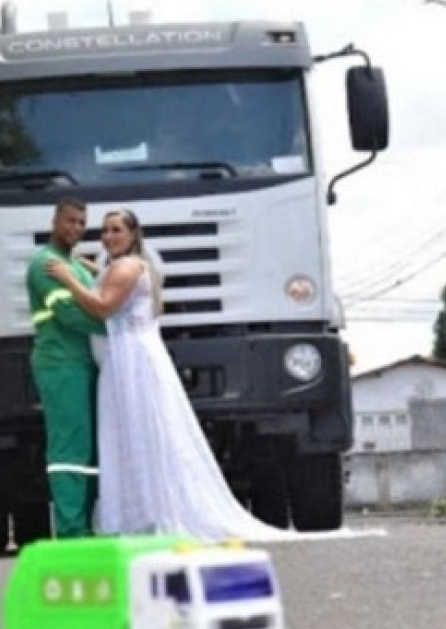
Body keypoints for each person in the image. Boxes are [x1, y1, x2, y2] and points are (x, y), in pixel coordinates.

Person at [46, 209, 375, 542]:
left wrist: (67, 277)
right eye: (104, 230)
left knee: (134, 431)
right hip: (134, 356)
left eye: (116, 230)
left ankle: (142, 514)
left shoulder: (127, 267)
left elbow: (103, 306)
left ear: (132, 234)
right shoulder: (133, 266)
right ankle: (145, 509)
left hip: (129, 359)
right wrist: (86, 266)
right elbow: (107, 275)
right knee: (144, 432)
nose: (107, 236)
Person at [26, 196, 106, 538]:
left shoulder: (72, 264)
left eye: (81, 223)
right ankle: (72, 529)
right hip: (60, 365)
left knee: (88, 447)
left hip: (82, 363)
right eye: (69, 221)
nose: (75, 228)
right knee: (69, 446)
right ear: (54, 222)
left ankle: (84, 524)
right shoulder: (45, 265)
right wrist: (119, 328)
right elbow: (71, 314)